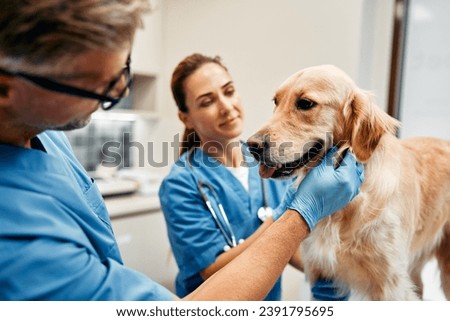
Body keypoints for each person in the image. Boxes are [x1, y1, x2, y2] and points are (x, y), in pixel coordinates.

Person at [0, 0, 363, 300]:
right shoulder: (18, 239)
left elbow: (297, 251)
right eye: (98, 87)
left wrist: (333, 277)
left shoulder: (48, 137)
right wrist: (294, 217)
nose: (118, 94)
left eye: (123, 71)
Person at [159, 53, 295, 300]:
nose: (226, 106)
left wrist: (334, 273)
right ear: (185, 118)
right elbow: (210, 270)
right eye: (207, 101)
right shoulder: (180, 183)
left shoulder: (267, 159)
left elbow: (291, 245)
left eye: (229, 91)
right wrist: (282, 221)